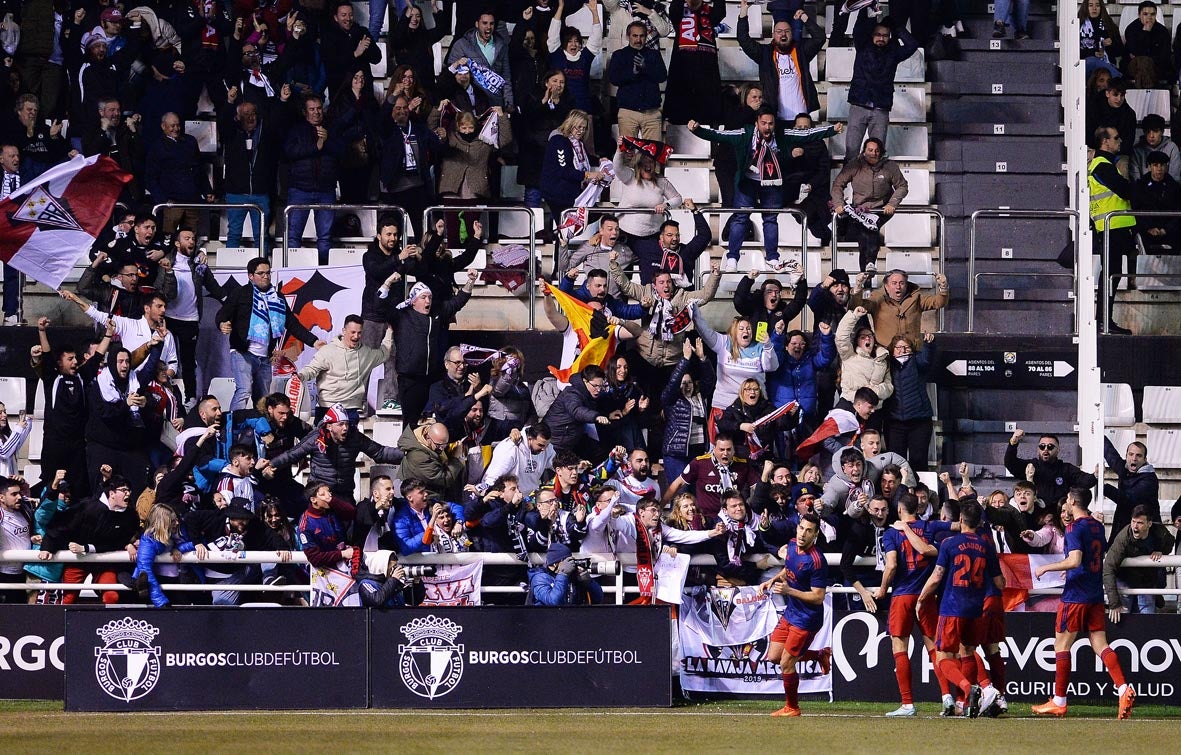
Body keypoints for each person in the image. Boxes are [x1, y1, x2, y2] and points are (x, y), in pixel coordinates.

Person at [689, 110, 840, 271]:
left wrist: (831, 130)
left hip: (771, 183)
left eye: (771, 124)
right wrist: (698, 130)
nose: (767, 127)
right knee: (741, 218)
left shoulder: (781, 133)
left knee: (770, 220)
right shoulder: (745, 134)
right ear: (757, 123)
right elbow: (719, 135)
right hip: (748, 182)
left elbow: (807, 134)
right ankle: (732, 257)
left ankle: (773, 257)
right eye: (764, 123)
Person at [1032, 488, 1135, 719]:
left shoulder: (1073, 528)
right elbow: (1092, 556)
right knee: (1101, 644)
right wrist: (1073, 568)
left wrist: (1046, 567)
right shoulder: (1097, 526)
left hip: (1076, 596)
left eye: (1067, 500)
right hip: (1095, 594)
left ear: (1073, 501)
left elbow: (1075, 559)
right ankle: (1122, 688)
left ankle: (1059, 700)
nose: (1065, 504)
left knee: (1061, 646)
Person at [916, 499, 1004, 718]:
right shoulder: (986, 546)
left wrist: (922, 597)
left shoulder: (949, 544)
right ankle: (965, 704)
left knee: (943, 657)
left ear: (961, 520)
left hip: (952, 606)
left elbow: (936, 577)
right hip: (976, 608)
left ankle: (968, 689)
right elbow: (1000, 582)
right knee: (968, 652)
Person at [875, 493, 954, 717]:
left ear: (899, 510)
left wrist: (882, 589)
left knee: (900, 649)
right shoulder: (928, 527)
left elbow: (890, 565)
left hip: (902, 595)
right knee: (934, 649)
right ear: (917, 508)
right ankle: (946, 696)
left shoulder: (892, 533)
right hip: (926, 596)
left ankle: (908, 704)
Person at [216, 257, 326, 410]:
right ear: (250, 276)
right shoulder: (241, 293)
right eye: (260, 273)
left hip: (265, 358)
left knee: (263, 400)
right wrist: (222, 324)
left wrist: (313, 341)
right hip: (243, 353)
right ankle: (233, 430)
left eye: (268, 273)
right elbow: (222, 314)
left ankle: (260, 431)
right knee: (244, 391)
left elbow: (291, 322)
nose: (265, 276)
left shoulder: (278, 297)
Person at [759, 513, 828, 717]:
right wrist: (772, 580)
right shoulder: (790, 545)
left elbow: (818, 597)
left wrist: (789, 591)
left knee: (786, 663)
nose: (803, 534)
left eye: (809, 531)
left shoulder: (816, 561)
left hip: (807, 618)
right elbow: (788, 569)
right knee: (774, 657)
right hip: (792, 612)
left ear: (815, 535)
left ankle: (793, 707)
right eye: (801, 528)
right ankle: (819, 655)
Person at [264, 404, 403, 503]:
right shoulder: (316, 438)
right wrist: (270, 464)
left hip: (344, 493)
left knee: (350, 524)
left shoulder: (355, 437)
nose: (345, 428)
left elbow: (380, 452)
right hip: (319, 492)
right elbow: (292, 455)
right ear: (329, 426)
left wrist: (407, 455)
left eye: (347, 424)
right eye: (341, 424)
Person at [39, 475, 140, 605]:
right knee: (67, 600)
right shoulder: (86, 507)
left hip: (105, 563)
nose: (128, 493)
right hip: (77, 560)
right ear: (112, 493)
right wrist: (47, 546)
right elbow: (61, 527)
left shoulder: (130, 515)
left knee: (111, 597)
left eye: (129, 491)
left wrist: (129, 544)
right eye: (124, 490)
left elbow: (123, 539)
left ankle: (106, 624)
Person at [831, 138, 908, 279]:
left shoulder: (890, 166)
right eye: (870, 150)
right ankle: (868, 269)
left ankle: (869, 266)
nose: (873, 153)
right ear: (864, 151)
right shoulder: (854, 165)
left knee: (871, 225)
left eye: (877, 150)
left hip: (882, 209)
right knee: (865, 232)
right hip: (860, 210)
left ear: (881, 152)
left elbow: (902, 186)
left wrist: (892, 204)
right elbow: (837, 184)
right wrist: (838, 204)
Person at [736, 1, 822, 127]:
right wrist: (743, 13)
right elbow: (743, 39)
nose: (783, 34)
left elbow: (820, 38)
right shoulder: (764, 54)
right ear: (773, 35)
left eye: (787, 31)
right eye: (779, 31)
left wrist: (804, 17)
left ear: (792, 34)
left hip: (801, 121)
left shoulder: (801, 52)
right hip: (776, 120)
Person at [165, 228, 225, 405]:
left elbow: (213, 286)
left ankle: (190, 398)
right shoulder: (166, 262)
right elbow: (163, 292)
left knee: (188, 362)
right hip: (167, 319)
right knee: (163, 358)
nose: (191, 241)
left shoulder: (199, 264)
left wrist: (229, 301)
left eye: (193, 238)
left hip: (190, 320)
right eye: (186, 238)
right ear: (177, 243)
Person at [298, 315, 393, 422]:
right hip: (327, 408)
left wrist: (389, 330)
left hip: (351, 409)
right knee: (323, 438)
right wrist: (300, 376)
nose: (356, 336)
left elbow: (384, 353)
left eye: (359, 332)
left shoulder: (366, 353)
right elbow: (311, 369)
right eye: (353, 332)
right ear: (344, 331)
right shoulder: (328, 351)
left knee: (351, 438)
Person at [1087, 126, 1136, 334]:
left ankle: (1105, 320)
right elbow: (1124, 190)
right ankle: (1103, 321)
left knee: (1112, 275)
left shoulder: (1105, 164)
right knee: (1109, 275)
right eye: (1116, 138)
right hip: (1111, 229)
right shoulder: (1101, 165)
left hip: (1116, 228)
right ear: (1105, 142)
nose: (1120, 141)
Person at [285, 95, 342, 264]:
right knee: (293, 237)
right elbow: (289, 152)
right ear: (305, 112)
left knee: (325, 239)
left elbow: (343, 153)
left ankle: (322, 271)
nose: (316, 112)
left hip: (326, 190)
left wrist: (327, 140)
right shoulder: (296, 130)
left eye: (318, 108)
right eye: (312, 109)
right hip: (299, 189)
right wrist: (316, 146)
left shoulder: (332, 129)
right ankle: (292, 272)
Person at [662, 434, 760, 521]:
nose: (725, 453)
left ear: (734, 450)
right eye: (721, 450)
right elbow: (678, 483)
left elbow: (758, 488)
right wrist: (661, 506)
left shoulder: (742, 464)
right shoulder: (700, 463)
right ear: (714, 449)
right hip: (708, 518)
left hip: (734, 517)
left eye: (729, 449)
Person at [1103, 504, 1175, 616]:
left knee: (1147, 617)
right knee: (1123, 616)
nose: (1135, 526)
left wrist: (1160, 551)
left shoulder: (1160, 531)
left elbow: (1170, 541)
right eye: (1133, 521)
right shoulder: (1123, 538)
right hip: (1125, 579)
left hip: (1146, 581)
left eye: (1140, 523)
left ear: (1149, 524)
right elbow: (1108, 568)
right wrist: (1114, 603)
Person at [663, 0, 726, 125]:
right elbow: (675, 7)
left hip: (706, 76)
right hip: (682, 75)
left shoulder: (709, 12)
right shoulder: (679, 12)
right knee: (679, 120)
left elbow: (721, 12)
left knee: (706, 121)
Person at [1004, 428, 1098, 508]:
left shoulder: (1066, 469)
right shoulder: (1031, 466)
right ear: (1038, 449)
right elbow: (1010, 463)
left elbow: (1085, 481)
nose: (1045, 449)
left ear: (1058, 450)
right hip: (1036, 515)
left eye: (1050, 447)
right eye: (1042, 446)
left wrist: (1096, 474)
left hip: (1058, 516)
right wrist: (1014, 442)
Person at [857, 270, 950, 350]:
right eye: (894, 283)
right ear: (886, 285)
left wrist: (943, 287)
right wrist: (858, 286)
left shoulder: (916, 298)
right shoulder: (877, 298)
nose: (898, 287)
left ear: (906, 285)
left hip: (912, 351)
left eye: (902, 283)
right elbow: (857, 306)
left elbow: (939, 302)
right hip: (886, 352)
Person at [883, 333, 936, 470]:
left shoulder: (917, 361)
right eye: (898, 347)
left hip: (919, 420)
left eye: (906, 347)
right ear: (892, 350)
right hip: (894, 421)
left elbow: (926, 360)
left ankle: (919, 491)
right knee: (895, 462)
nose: (903, 350)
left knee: (918, 460)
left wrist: (929, 345)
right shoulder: (886, 365)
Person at [661, 338, 711, 484]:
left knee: (696, 497)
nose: (686, 386)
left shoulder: (700, 398)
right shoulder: (672, 400)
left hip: (697, 453)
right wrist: (685, 359)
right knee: (681, 494)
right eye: (683, 383)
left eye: (689, 382)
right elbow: (672, 383)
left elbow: (710, 380)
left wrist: (702, 358)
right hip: (677, 454)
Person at [445, 9, 515, 111]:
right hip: (472, 105)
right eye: (485, 23)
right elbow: (449, 76)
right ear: (477, 24)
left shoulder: (501, 45)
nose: (488, 27)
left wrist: (509, 102)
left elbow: (506, 77)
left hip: (496, 103)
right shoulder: (462, 45)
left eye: (491, 23)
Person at [608, 20, 667, 139]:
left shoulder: (654, 55)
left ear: (646, 37)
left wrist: (645, 68)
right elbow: (614, 79)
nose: (638, 40)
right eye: (635, 36)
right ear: (627, 36)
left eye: (642, 36)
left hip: (651, 111)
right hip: (628, 111)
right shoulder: (619, 55)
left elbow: (662, 76)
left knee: (653, 153)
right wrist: (632, 73)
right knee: (627, 153)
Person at [131, 504, 193, 608]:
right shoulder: (148, 540)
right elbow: (145, 569)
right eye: (173, 521)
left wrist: (178, 549)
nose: (177, 523)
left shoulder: (172, 532)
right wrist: (161, 602)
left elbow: (194, 543)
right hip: (157, 582)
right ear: (163, 523)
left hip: (175, 579)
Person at [321, 1, 382, 94]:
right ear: (336, 18)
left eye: (350, 15)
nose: (348, 18)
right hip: (340, 90)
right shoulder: (329, 36)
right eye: (344, 15)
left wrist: (366, 50)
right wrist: (355, 54)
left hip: (364, 89)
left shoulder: (362, 32)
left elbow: (377, 58)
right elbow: (332, 64)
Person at [836, 307, 893, 404]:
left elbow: (889, 387)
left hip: (873, 408)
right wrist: (854, 316)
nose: (867, 339)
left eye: (870, 336)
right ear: (857, 341)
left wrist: (873, 391)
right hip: (850, 403)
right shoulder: (849, 356)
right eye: (863, 337)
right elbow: (841, 337)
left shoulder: (882, 359)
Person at [1103, 437, 1160, 535]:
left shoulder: (1149, 479)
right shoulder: (1125, 469)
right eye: (1131, 454)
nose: (1134, 458)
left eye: (1138, 455)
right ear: (1126, 456)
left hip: (1145, 533)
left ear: (1144, 459)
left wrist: (1103, 488)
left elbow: (1127, 498)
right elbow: (1111, 456)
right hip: (1123, 526)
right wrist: (1098, 434)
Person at [397, 422, 465, 503]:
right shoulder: (419, 457)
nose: (441, 449)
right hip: (420, 501)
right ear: (427, 437)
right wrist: (455, 459)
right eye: (438, 445)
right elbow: (444, 479)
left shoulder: (429, 446)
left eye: (444, 445)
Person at [481, 423, 555, 497]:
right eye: (540, 445)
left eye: (547, 445)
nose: (544, 449)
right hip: (510, 499)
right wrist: (484, 497)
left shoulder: (546, 448)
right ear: (530, 439)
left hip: (531, 498)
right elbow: (492, 478)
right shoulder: (510, 448)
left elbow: (558, 464)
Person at [529, 541, 605, 605]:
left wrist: (589, 582)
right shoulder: (539, 578)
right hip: (548, 619)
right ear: (555, 563)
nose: (570, 564)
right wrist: (563, 575)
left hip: (573, 617)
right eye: (566, 561)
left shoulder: (572, 576)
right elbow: (553, 601)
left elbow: (599, 599)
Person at [1121, 0, 1170, 88]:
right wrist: (1145, 32)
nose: (1149, 17)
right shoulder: (1131, 29)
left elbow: (1165, 56)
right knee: (1142, 62)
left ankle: (1141, 96)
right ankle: (1149, 95)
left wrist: (1145, 58)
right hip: (1133, 65)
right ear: (1139, 15)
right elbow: (1136, 51)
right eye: (1145, 14)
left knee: (1144, 62)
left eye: (1152, 14)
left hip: (1155, 66)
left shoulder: (1162, 31)